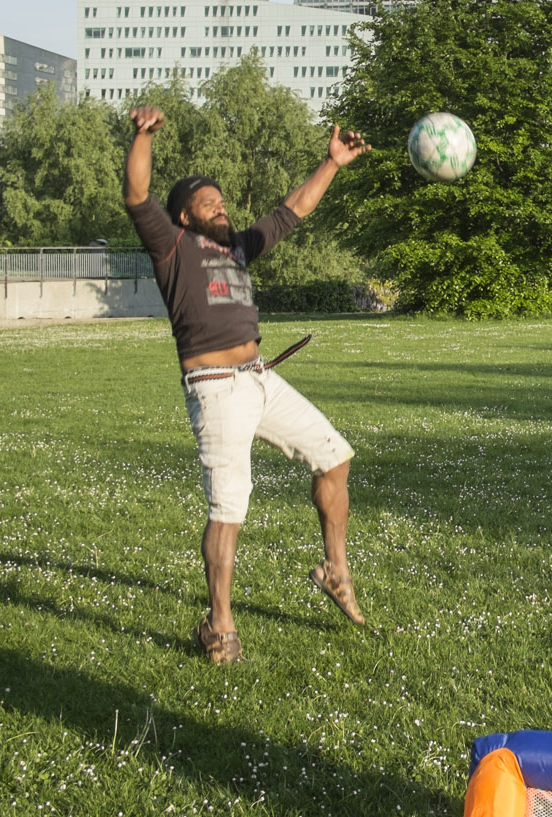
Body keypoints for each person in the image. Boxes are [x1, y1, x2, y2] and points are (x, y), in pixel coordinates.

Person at [123, 105, 372, 664]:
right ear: (184, 216)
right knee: (229, 508)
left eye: (222, 199)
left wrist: (331, 163)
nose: (221, 206)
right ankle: (221, 627)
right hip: (215, 387)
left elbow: (292, 211)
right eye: (208, 202)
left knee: (334, 458)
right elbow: (137, 193)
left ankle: (335, 571)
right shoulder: (172, 248)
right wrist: (141, 135)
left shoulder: (236, 249)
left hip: (260, 380)